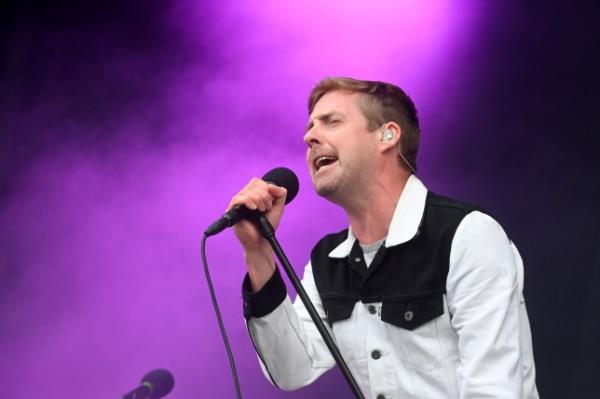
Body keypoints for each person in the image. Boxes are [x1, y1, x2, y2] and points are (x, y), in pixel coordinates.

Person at [228, 77, 539, 399]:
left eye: (331, 122)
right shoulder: (328, 260)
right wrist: (258, 252)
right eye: (309, 127)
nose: (309, 137)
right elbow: (291, 370)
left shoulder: (467, 234)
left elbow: (494, 389)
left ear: (387, 135)